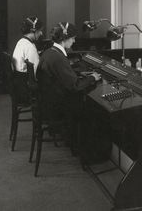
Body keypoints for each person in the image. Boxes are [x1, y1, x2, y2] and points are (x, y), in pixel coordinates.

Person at [37, 22, 101, 151]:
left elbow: (61, 75)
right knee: (94, 109)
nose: (74, 41)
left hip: (46, 103)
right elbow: (75, 86)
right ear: (64, 39)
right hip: (56, 109)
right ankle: (86, 150)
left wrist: (75, 73)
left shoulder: (49, 52)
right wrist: (92, 77)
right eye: (72, 38)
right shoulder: (58, 58)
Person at [12, 16, 43, 103]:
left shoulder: (21, 42)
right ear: (33, 31)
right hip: (27, 89)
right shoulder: (30, 46)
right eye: (40, 30)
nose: (41, 33)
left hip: (20, 84)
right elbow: (36, 72)